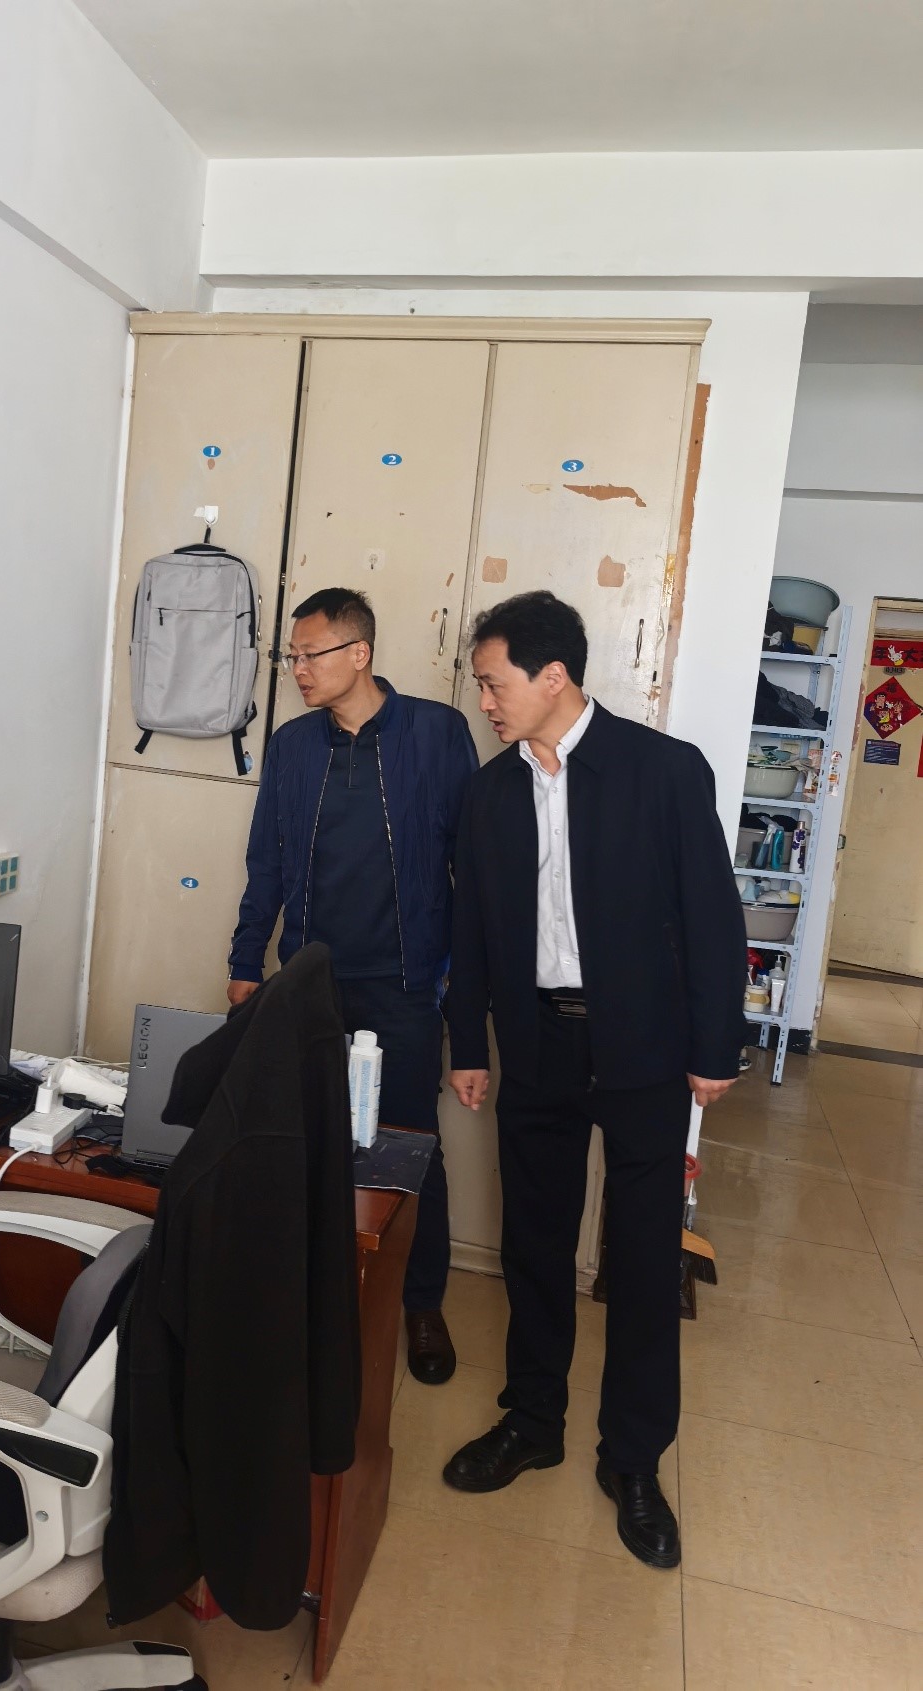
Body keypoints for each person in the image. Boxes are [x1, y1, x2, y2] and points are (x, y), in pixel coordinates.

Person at [442, 590, 745, 1568]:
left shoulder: (662, 771)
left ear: (553, 676)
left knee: (644, 1259)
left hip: (645, 1047)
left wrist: (716, 1047)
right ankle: (532, 1420)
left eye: (493, 682)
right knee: (534, 1242)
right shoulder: (489, 793)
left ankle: (633, 1460)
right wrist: (468, 1042)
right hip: (534, 1043)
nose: (484, 700)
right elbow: (471, 929)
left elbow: (711, 916)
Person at [228, 587, 479, 1384]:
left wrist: (460, 987)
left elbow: (470, 870)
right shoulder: (293, 746)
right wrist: (246, 961)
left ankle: (421, 1302)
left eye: (311, 654)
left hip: (404, 987)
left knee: (409, 1146)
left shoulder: (436, 734)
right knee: (301, 1138)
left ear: (359, 653)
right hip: (310, 983)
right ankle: (312, 1289)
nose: (298, 670)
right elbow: (266, 861)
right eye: (292, 657)